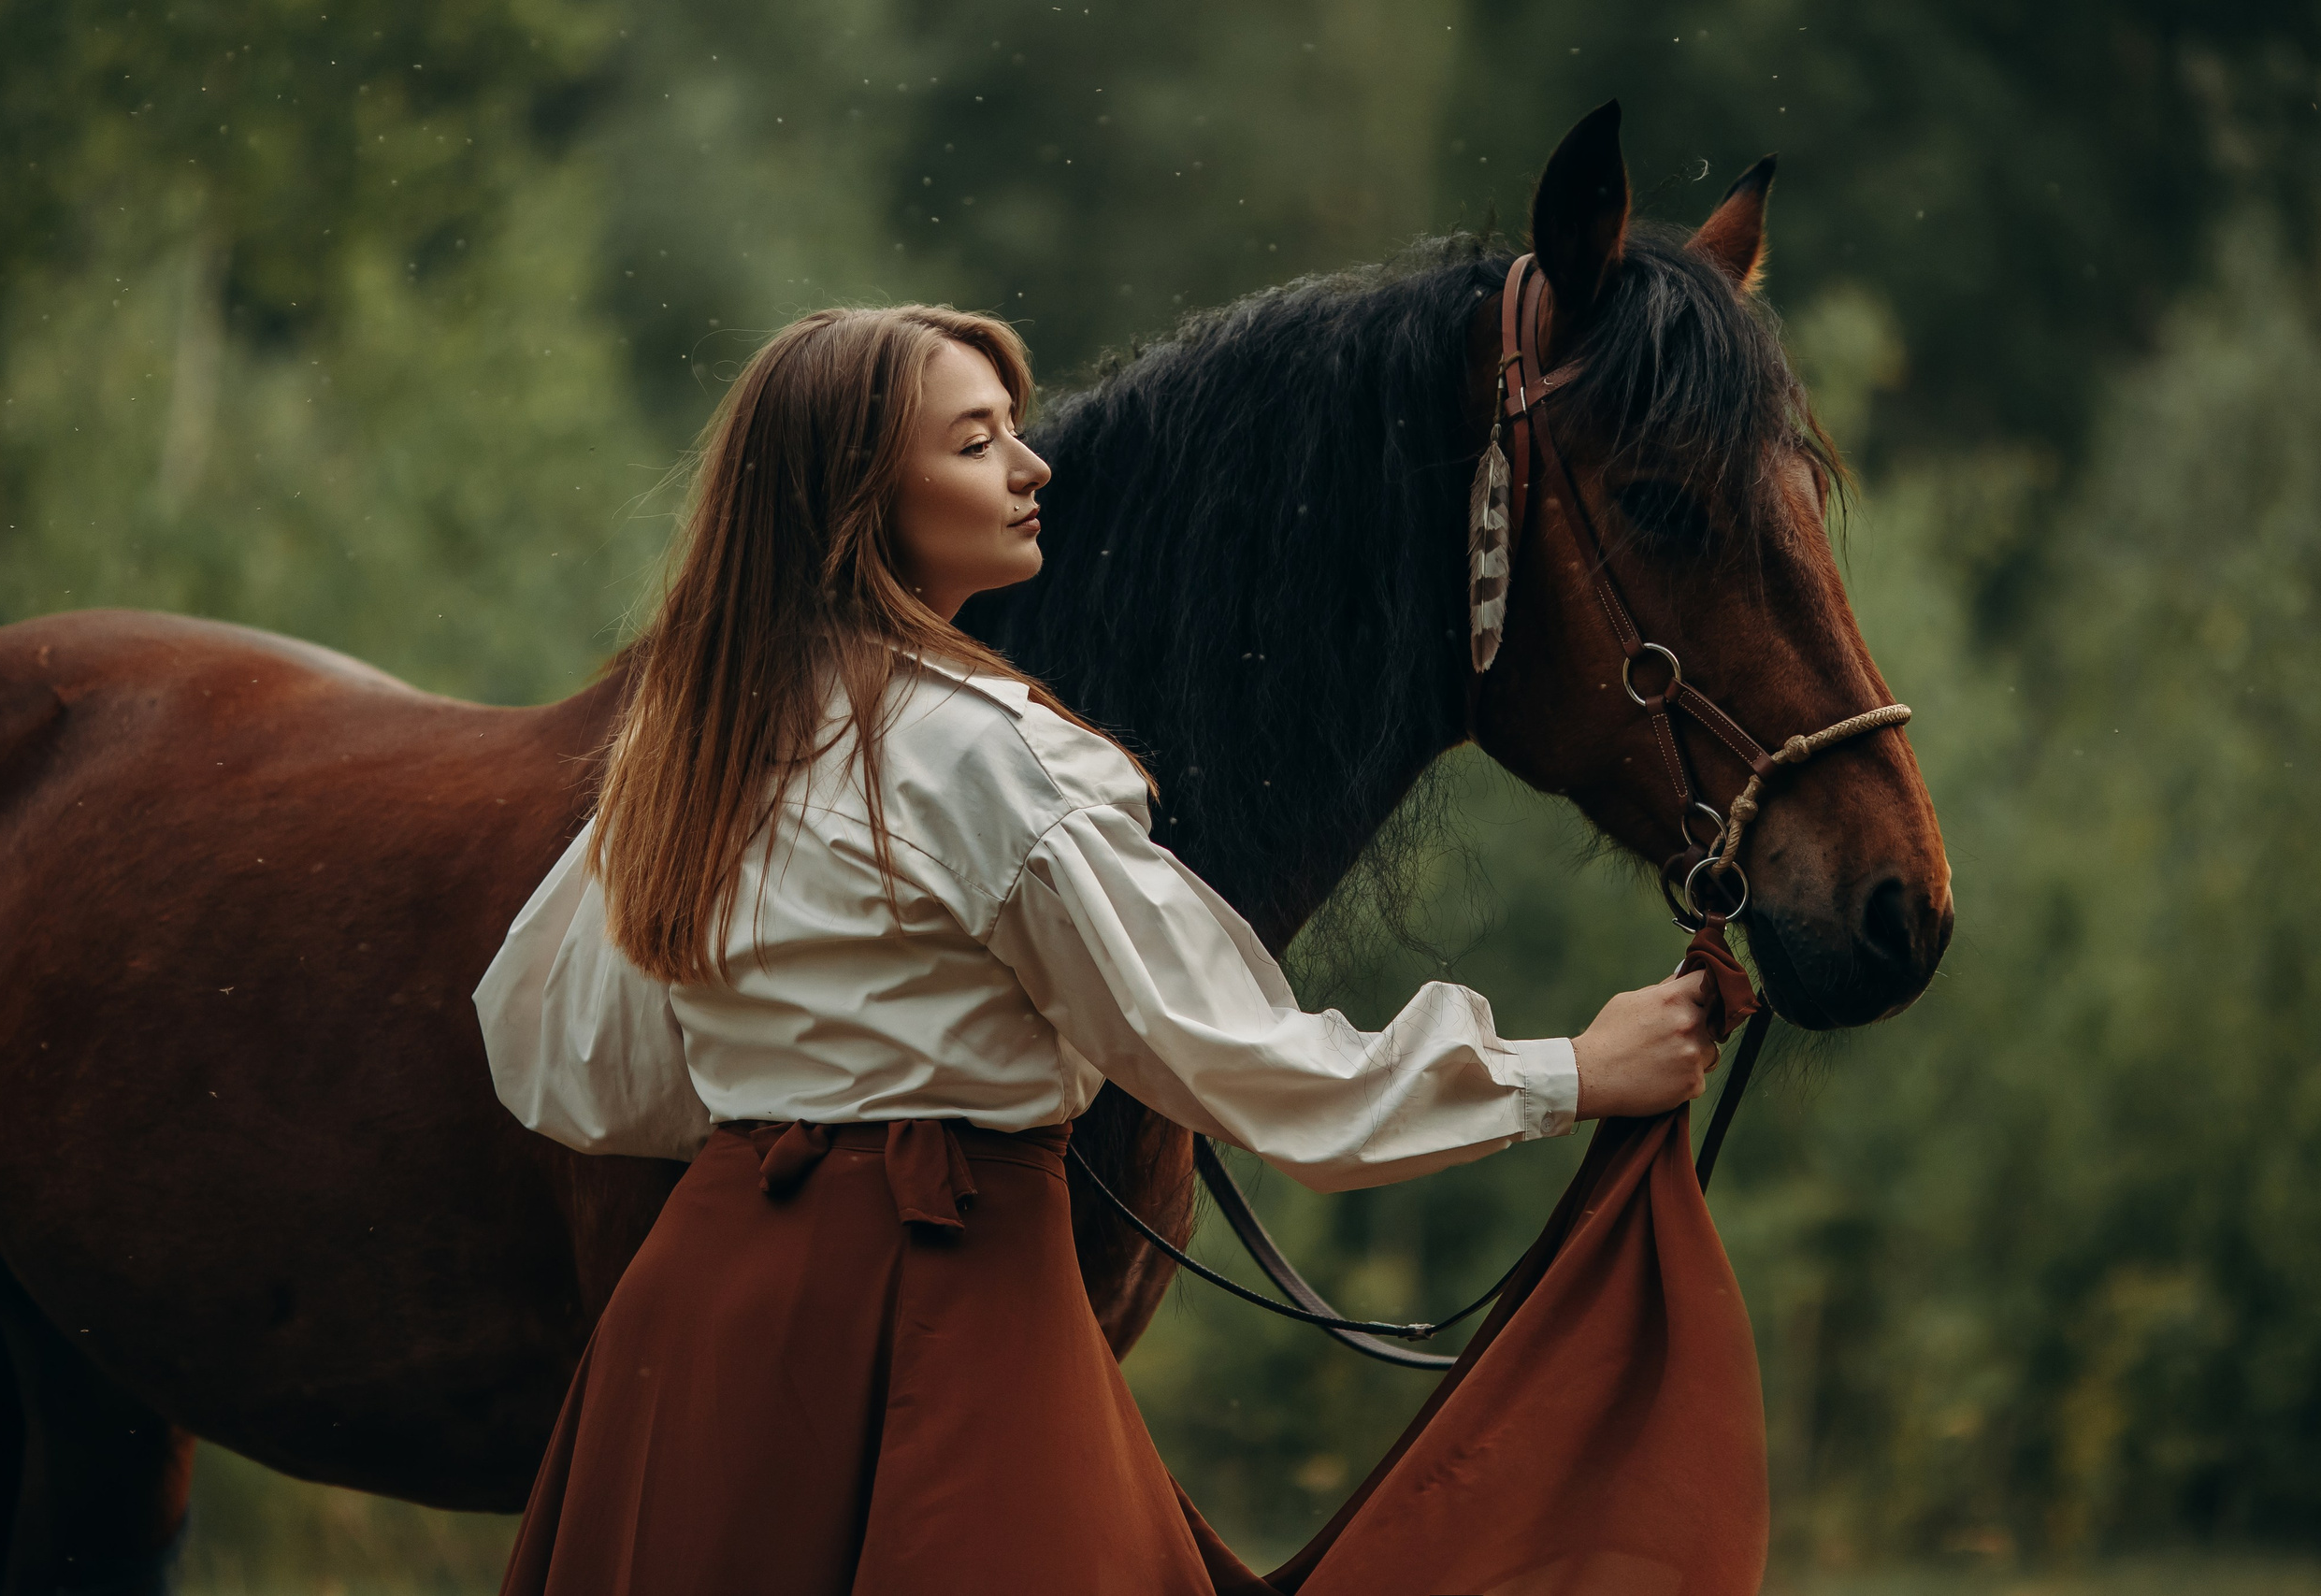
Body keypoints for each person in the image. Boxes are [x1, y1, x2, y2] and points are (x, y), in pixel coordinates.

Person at [473, 304, 1721, 1594]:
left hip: (700, 1325)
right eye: (975, 443)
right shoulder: (989, 758)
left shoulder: (690, 745)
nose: (1033, 468)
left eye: (1016, 430)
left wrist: (790, 1116)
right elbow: (1244, 1069)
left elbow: (559, 1055)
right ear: (856, 494)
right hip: (951, 1297)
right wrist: (1571, 1070)